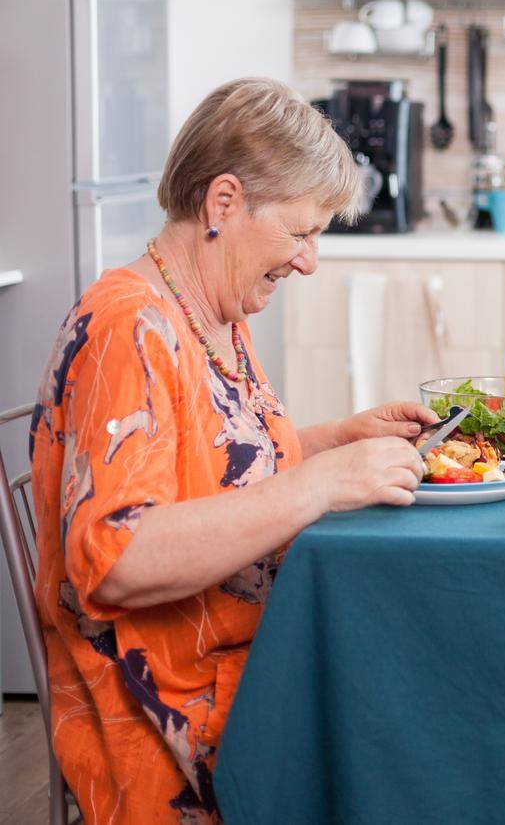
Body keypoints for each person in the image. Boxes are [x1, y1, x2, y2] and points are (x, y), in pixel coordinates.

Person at [29, 78, 438, 824]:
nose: (310, 261)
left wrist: (334, 441)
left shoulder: (211, 311)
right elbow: (118, 559)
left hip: (241, 657)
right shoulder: (130, 329)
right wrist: (318, 485)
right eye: (301, 232)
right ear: (224, 204)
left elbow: (215, 470)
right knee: (417, 725)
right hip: (171, 708)